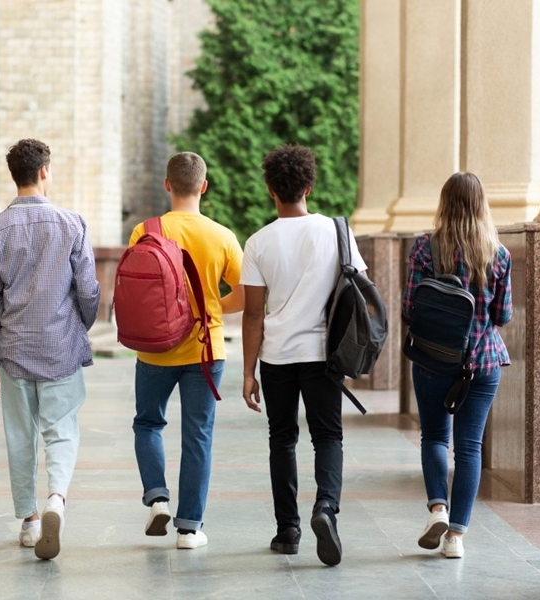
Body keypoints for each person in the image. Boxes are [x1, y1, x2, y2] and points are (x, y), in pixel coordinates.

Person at [241, 144, 367, 567]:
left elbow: (253, 313)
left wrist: (247, 372)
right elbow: (357, 293)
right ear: (309, 187)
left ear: (270, 190)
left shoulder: (258, 242)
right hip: (324, 355)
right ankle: (326, 509)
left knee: (283, 439)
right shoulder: (337, 231)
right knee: (328, 436)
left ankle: (287, 531)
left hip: (276, 356)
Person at [0, 138, 100, 561]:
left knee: (19, 434)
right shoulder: (72, 224)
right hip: (59, 346)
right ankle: (56, 501)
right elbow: (88, 290)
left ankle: (29, 521)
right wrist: (79, 325)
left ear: (14, 176)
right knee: (61, 427)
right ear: (44, 171)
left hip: (13, 348)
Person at [130, 151, 244, 550]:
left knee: (148, 424)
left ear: (167, 184)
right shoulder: (223, 236)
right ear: (204, 187)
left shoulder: (145, 230)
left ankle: (158, 499)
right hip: (205, 350)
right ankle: (189, 528)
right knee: (198, 436)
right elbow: (245, 295)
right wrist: (212, 306)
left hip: (155, 350)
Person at [402, 172, 512, 559]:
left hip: (434, 359)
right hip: (482, 363)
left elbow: (409, 310)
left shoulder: (423, 249)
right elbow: (503, 314)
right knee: (469, 448)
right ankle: (456, 539)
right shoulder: (497, 254)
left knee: (434, 436)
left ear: (444, 203)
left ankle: (438, 509)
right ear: (482, 204)